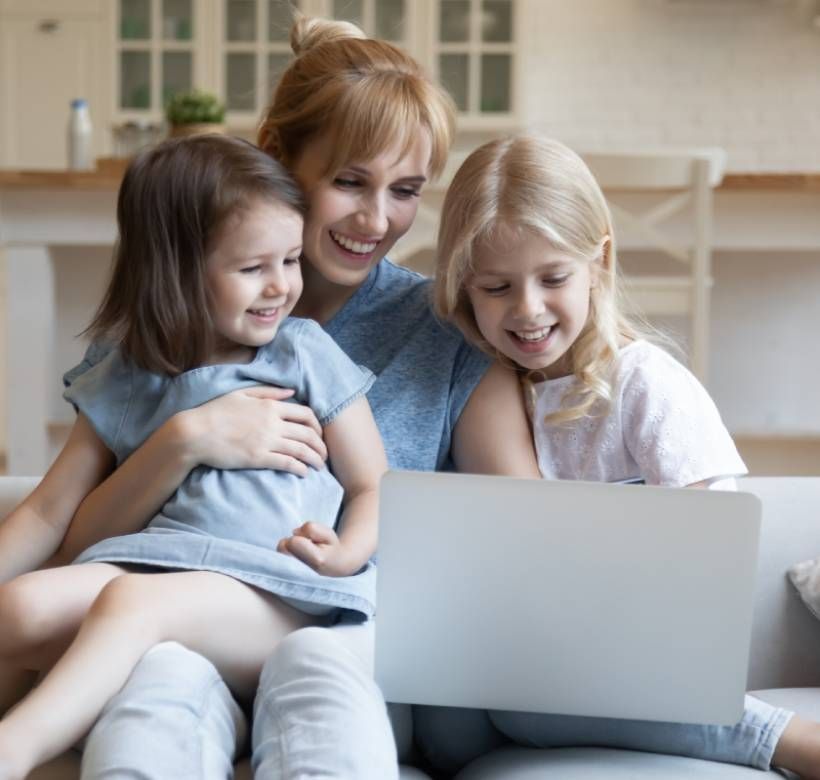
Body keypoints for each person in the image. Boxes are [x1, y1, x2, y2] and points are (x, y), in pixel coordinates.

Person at [32, 15, 539, 780]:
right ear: (274, 156)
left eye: (406, 192)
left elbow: (524, 537)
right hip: (172, 627)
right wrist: (186, 439)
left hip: (343, 635)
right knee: (161, 680)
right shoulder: (174, 320)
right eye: (348, 184)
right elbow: (71, 532)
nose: (377, 222)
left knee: (304, 662)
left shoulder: (446, 334)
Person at [417, 133, 820, 778]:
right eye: (496, 287)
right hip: (527, 650)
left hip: (645, 656)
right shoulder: (483, 390)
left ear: (599, 262)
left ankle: (776, 737)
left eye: (554, 278)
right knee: (445, 719)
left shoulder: (645, 384)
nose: (527, 310)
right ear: (463, 287)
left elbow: (712, 548)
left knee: (526, 710)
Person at [0, 134, 389, 779]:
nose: (282, 286)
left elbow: (376, 484)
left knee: (130, 605)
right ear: (176, 271)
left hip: (276, 591)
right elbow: (62, 523)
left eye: (290, 261)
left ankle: (12, 750)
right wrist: (182, 442)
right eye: (252, 268)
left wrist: (346, 554)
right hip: (153, 570)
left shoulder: (302, 352)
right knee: (20, 608)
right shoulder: (127, 372)